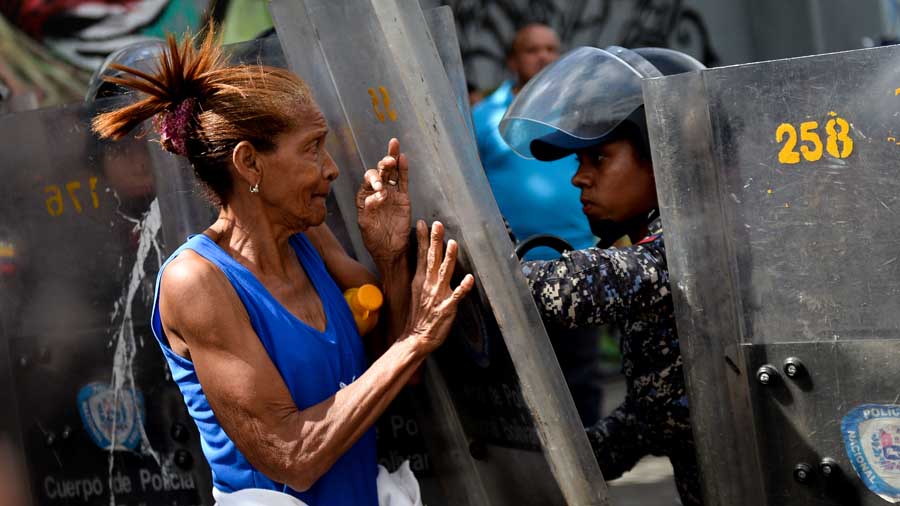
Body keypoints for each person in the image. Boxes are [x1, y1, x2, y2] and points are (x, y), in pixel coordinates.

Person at [92, 29, 474, 505]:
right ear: (250, 164)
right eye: (313, 147)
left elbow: (388, 367)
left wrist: (390, 257)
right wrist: (417, 339)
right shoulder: (195, 281)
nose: (331, 168)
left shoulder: (308, 236)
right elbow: (292, 457)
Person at [500, 46, 707, 505]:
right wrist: (553, 464)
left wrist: (475, 249)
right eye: (580, 162)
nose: (579, 178)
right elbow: (653, 414)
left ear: (664, 155)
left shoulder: (690, 251)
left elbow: (555, 291)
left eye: (598, 159)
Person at [472, 23, 595, 259]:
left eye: (551, 49)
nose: (543, 57)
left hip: (581, 255)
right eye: (532, 50)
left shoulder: (580, 112)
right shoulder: (484, 116)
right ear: (512, 61)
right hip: (511, 260)